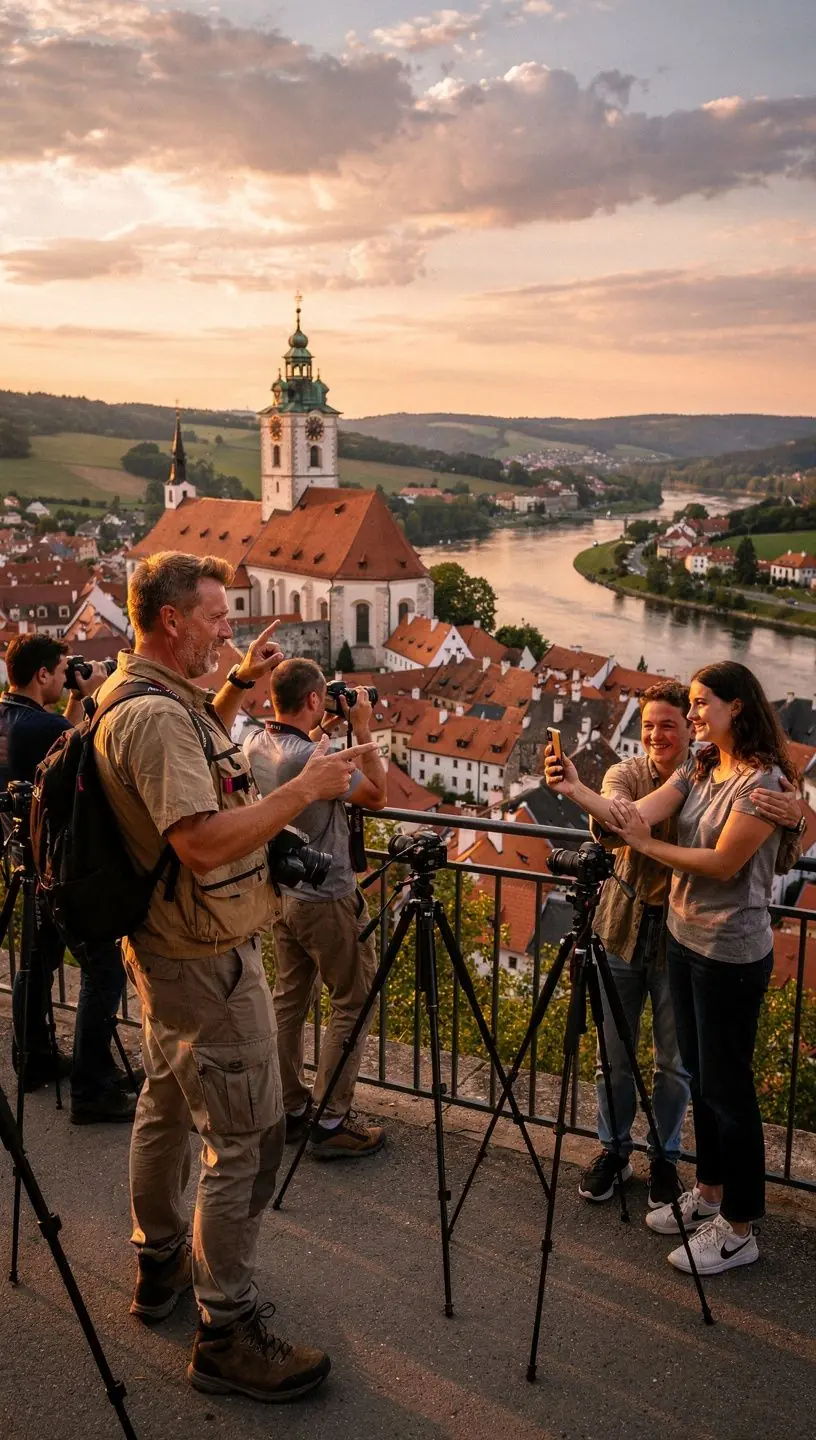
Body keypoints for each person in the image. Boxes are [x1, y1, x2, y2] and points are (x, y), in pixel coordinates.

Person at [94, 550, 377, 1403]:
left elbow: (184, 753)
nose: (229, 629)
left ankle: (159, 1265)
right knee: (247, 1141)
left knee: (168, 1105)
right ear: (171, 619)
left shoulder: (139, 694)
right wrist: (309, 788)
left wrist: (235, 689)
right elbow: (203, 839)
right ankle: (227, 1327)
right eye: (218, 617)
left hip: (166, 946)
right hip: (205, 956)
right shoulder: (154, 720)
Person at [546, 661, 805, 1276]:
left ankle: (740, 1227)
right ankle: (710, 1195)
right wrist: (576, 790)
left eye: (698, 705)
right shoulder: (703, 764)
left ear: (734, 707)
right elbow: (638, 810)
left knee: (727, 1091)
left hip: (731, 955)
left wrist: (644, 845)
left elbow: (719, 864)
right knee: (706, 1083)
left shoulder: (763, 784)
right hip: (687, 943)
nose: (690, 717)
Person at [245, 660, 388, 1160]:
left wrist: (323, 727)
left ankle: (288, 1107)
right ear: (313, 700)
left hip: (285, 892)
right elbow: (379, 796)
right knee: (353, 998)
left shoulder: (258, 743)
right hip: (327, 897)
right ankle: (330, 1119)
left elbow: (298, 749)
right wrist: (363, 725)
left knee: (290, 999)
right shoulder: (314, 762)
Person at [0, 633, 137, 1123]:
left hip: (21, 860)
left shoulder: (8, 718)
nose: (64, 679)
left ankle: (33, 1058)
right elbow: (79, 748)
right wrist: (94, 696)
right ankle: (92, 1085)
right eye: (61, 671)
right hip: (59, 870)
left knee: (36, 965)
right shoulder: (45, 725)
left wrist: (77, 696)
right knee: (104, 970)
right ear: (41, 675)